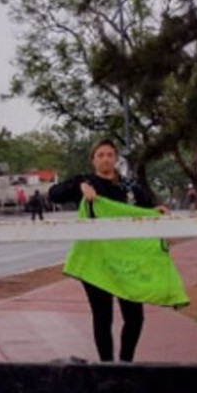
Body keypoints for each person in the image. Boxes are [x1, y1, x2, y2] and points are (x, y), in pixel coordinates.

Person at [48, 139, 167, 363]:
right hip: (97, 262)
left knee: (134, 317)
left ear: (116, 158)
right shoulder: (85, 182)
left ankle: (125, 363)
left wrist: (155, 211)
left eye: (110, 155)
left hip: (127, 262)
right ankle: (106, 366)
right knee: (103, 317)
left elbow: (146, 208)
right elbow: (53, 193)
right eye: (100, 155)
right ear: (93, 159)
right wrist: (79, 188)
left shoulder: (129, 187)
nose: (105, 159)